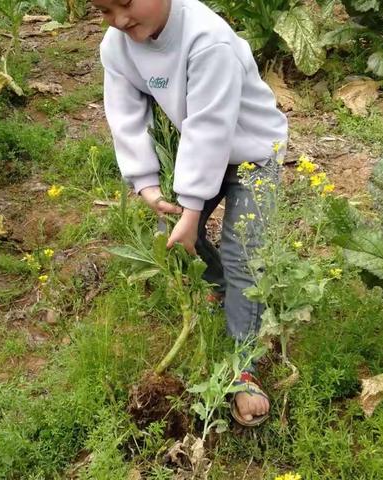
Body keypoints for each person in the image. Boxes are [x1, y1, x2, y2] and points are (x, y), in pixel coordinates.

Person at [93, 0, 288, 426]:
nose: (120, 19)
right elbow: (124, 115)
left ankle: (244, 366)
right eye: (104, 10)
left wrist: (193, 205)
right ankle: (221, 284)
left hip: (254, 151)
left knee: (243, 253)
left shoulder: (207, 39)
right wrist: (144, 181)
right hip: (205, 151)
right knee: (183, 231)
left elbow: (210, 126)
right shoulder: (118, 46)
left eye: (126, 3)